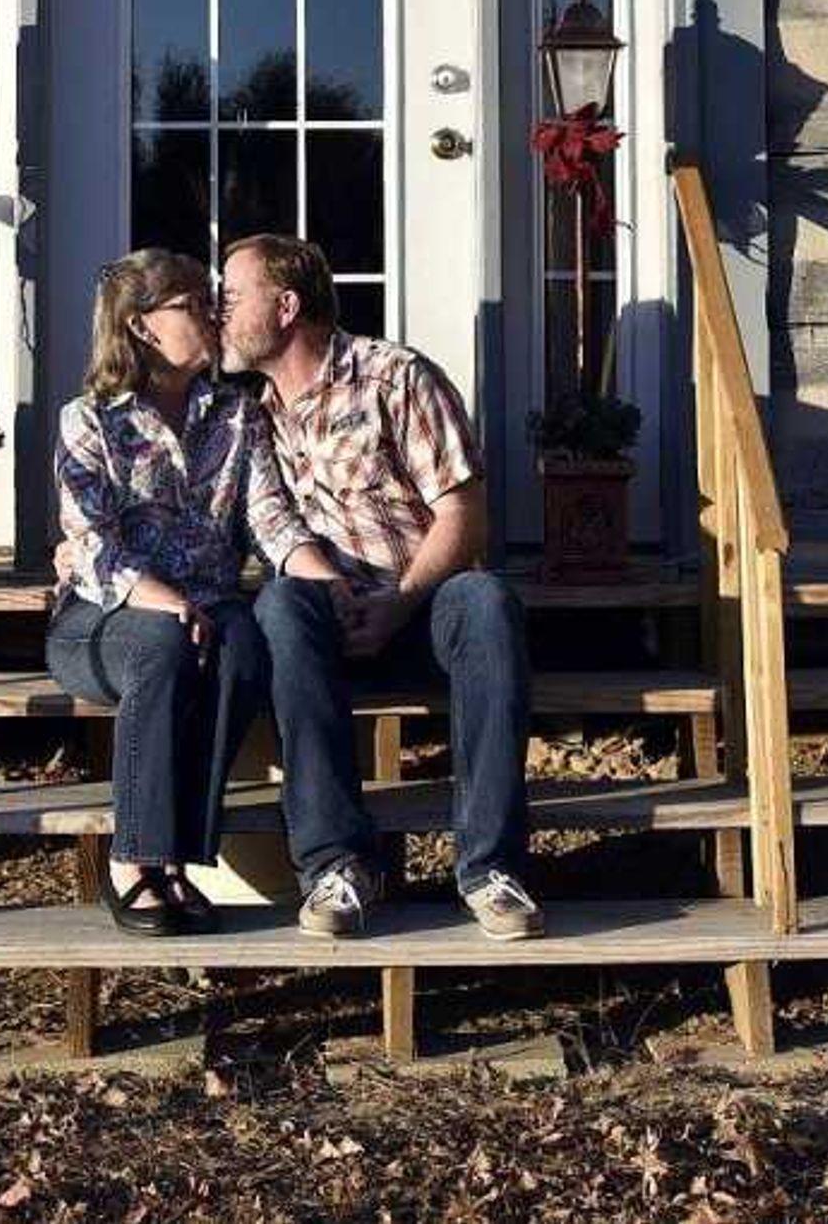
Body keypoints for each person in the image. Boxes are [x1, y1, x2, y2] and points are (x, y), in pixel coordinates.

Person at [222, 231, 540, 942]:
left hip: (423, 603)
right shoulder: (249, 415)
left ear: (286, 306)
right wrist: (334, 589)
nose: (219, 311)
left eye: (233, 296)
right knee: (277, 602)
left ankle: (490, 868)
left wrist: (400, 602)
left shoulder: (393, 376)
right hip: (328, 611)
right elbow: (270, 521)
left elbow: (464, 514)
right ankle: (337, 865)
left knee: (487, 600)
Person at [47, 248, 276, 936]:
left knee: (245, 649)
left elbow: (267, 516)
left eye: (213, 299)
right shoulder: (89, 420)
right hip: (102, 617)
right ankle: (136, 857)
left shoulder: (238, 415)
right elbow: (90, 544)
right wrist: (162, 597)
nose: (214, 313)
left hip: (211, 603)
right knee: (162, 641)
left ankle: (179, 857)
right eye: (193, 303)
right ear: (142, 327)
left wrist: (313, 568)